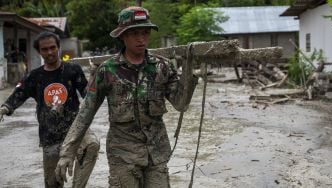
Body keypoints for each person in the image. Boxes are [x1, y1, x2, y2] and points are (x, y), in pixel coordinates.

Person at [55, 6, 198, 187]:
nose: (141, 39)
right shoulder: (107, 70)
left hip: (157, 153)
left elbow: (181, 104)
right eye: (135, 33)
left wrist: (188, 68)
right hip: (123, 154)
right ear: (122, 36)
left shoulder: (163, 66)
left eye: (145, 33)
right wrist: (67, 152)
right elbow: (86, 113)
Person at [0, 31, 100, 188]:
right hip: (50, 136)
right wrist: (4, 109)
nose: (50, 52)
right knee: (53, 183)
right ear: (39, 52)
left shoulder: (72, 70)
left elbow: (88, 96)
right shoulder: (34, 76)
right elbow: (17, 95)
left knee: (92, 145)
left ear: (58, 48)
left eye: (53, 47)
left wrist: (95, 78)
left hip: (74, 131)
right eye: (45, 49)